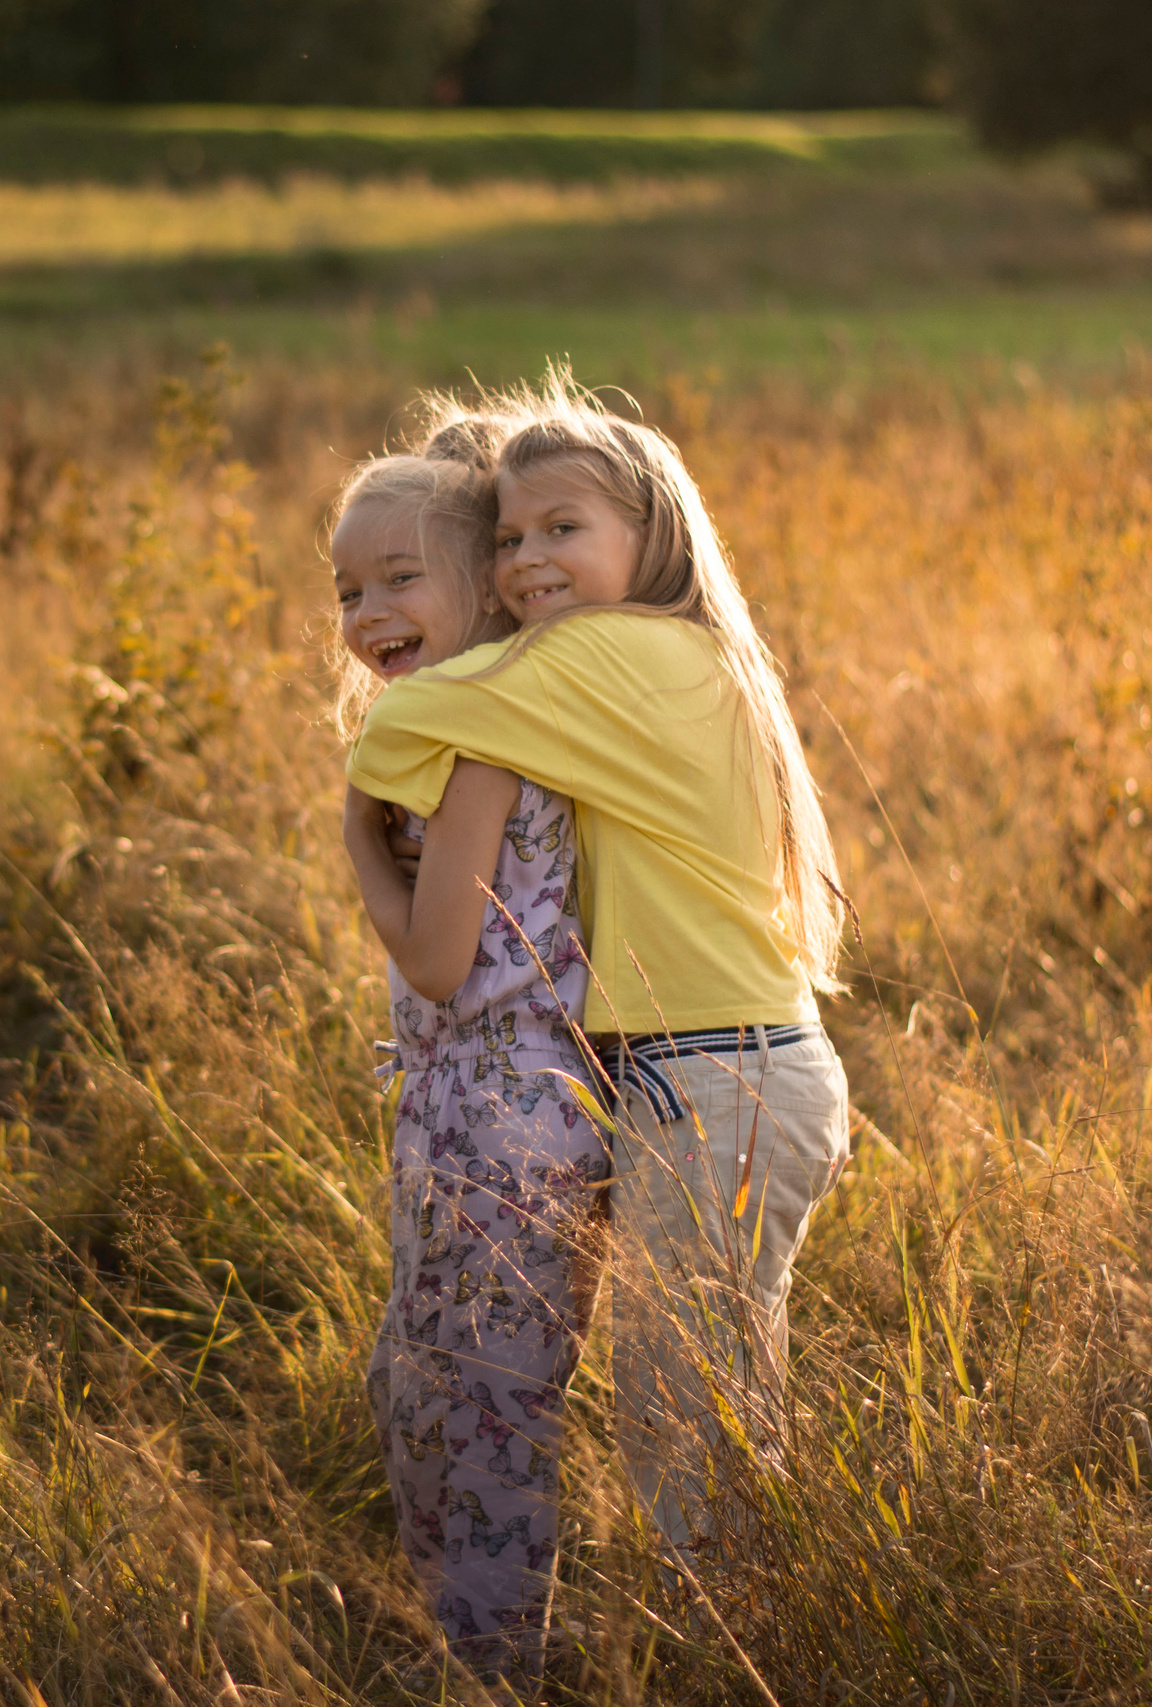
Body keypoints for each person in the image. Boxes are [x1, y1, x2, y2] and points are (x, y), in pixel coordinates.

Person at [346, 371, 853, 1569]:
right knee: (711, 1409)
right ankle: (751, 1637)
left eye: (562, 530)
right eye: (510, 538)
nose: (528, 562)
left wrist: (364, 835)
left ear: (655, 532)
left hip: (714, 1078)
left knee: (688, 1430)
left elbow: (394, 727)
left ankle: (743, 1653)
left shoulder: (620, 652)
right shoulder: (671, 655)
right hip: (722, 1073)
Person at [332, 428, 607, 1695]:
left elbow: (441, 963)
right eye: (345, 591)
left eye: (397, 578)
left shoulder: (478, 744)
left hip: (509, 1116)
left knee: (489, 1415)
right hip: (464, 1111)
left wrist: (355, 844)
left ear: (479, 589)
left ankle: (496, 1670)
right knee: (422, 1389)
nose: (367, 611)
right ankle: (461, 1641)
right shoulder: (447, 726)